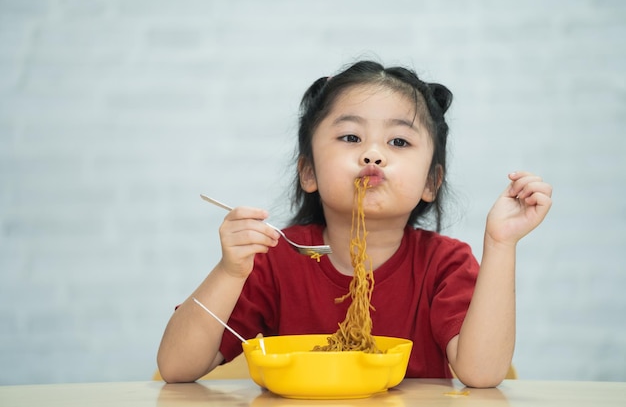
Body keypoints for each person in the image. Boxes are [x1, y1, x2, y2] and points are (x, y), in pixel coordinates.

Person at [157, 60, 553, 388]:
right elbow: (176, 368)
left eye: (399, 142)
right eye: (350, 137)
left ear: (431, 182)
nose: (373, 155)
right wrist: (229, 271)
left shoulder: (444, 264)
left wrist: (501, 244)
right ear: (308, 172)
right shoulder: (276, 258)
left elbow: (481, 374)